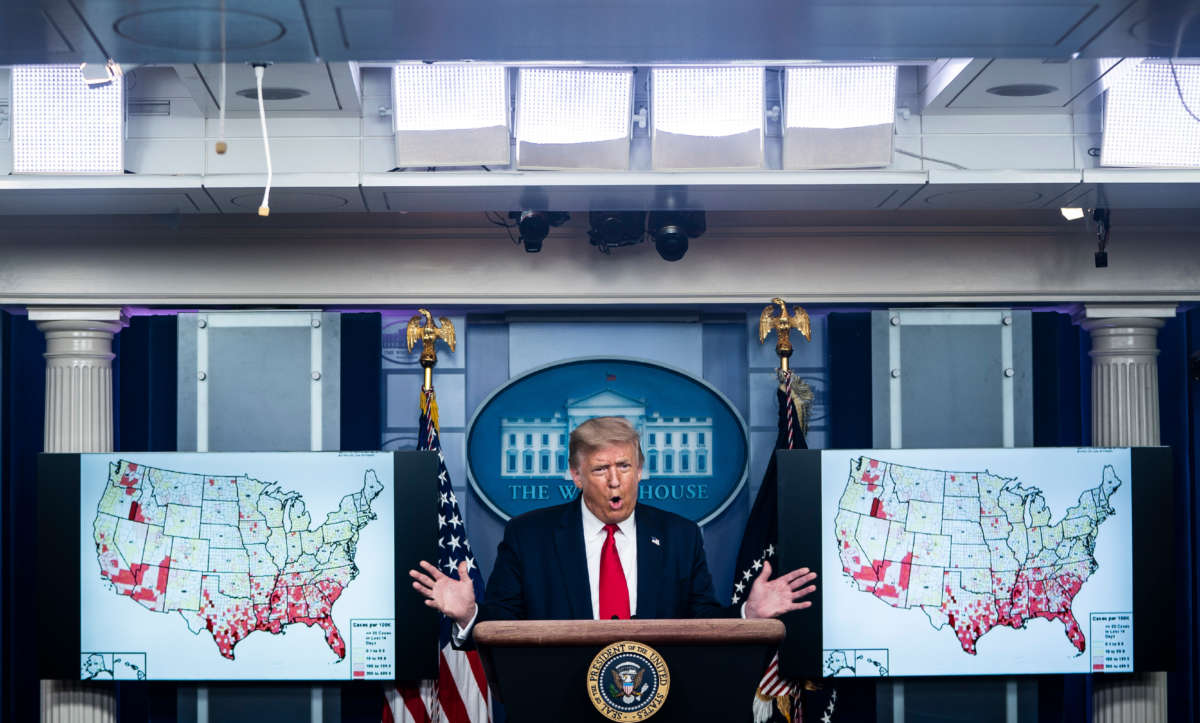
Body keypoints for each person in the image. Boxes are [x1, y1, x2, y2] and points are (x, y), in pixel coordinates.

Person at [410, 416, 816, 635]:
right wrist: (468, 614)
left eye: (625, 466)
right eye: (601, 468)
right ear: (575, 474)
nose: (615, 479)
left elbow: (702, 624)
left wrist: (748, 614)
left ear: (640, 469)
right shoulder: (528, 536)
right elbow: (503, 624)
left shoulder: (680, 535)